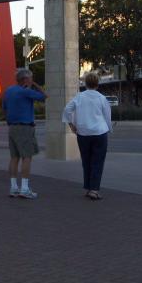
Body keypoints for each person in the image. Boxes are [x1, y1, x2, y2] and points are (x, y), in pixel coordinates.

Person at [62, 71, 112, 200]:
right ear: (97, 84)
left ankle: (88, 187)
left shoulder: (79, 97)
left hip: (83, 133)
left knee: (86, 161)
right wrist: (109, 129)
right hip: (100, 133)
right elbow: (107, 116)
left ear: (85, 83)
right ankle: (94, 190)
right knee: (98, 161)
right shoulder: (102, 98)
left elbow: (67, 109)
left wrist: (71, 125)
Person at [2, 68, 47, 199]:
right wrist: (35, 85)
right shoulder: (26, 92)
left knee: (14, 157)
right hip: (25, 127)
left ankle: (13, 187)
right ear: (26, 79)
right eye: (31, 78)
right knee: (27, 157)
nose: (32, 80)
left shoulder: (9, 91)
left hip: (12, 127)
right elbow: (44, 96)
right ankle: (25, 188)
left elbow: (4, 108)